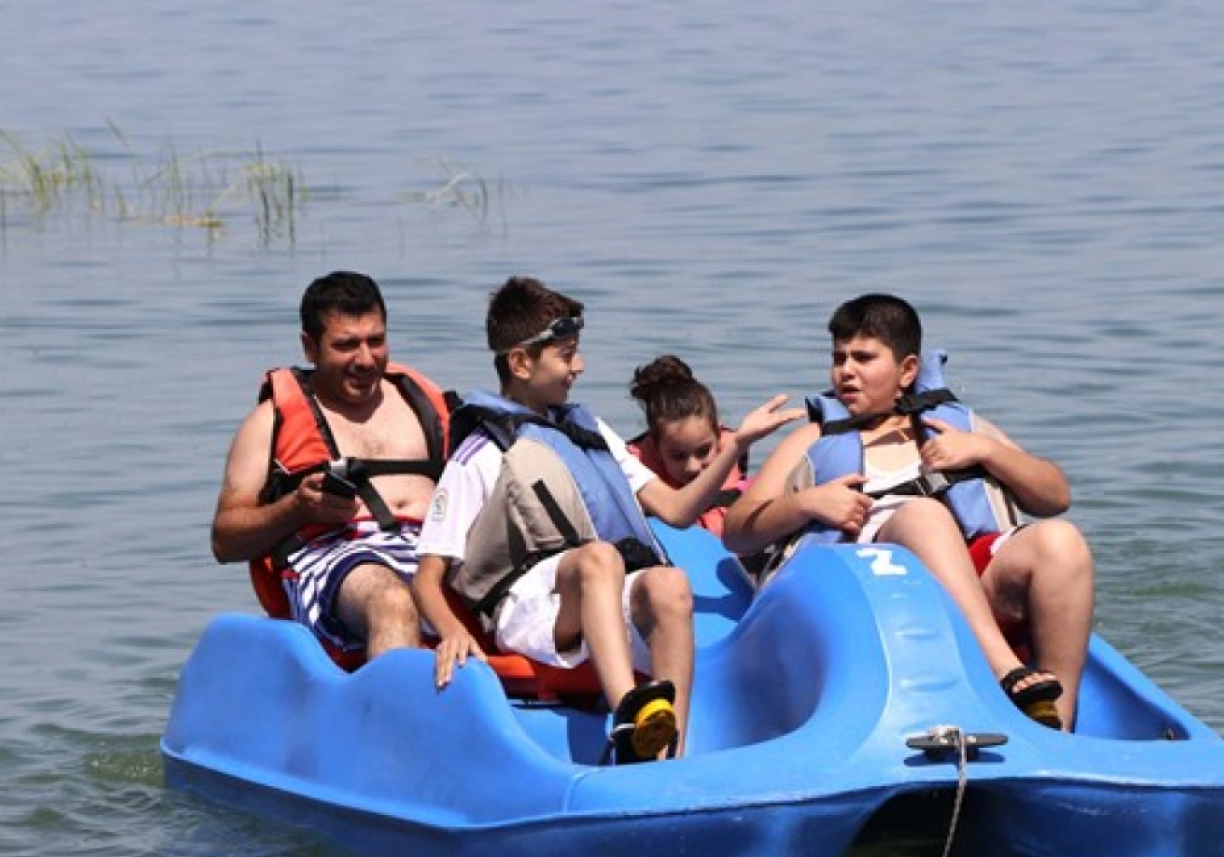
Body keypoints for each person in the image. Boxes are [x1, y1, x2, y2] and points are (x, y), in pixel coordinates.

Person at [413, 277, 798, 764]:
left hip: (599, 593)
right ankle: (628, 717)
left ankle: (668, 754)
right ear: (521, 362)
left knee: (669, 584)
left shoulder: (589, 431)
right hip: (530, 609)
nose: (579, 366)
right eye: (567, 355)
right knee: (599, 558)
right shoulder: (481, 453)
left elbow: (678, 510)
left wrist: (736, 445)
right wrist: (453, 632)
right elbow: (427, 578)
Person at [723, 293, 1095, 730]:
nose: (846, 371)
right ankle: (1003, 670)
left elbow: (1054, 497)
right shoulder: (813, 439)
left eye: (864, 358)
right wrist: (805, 503)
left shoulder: (955, 426)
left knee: (1062, 541)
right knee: (924, 515)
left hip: (966, 586)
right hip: (868, 600)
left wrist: (987, 451)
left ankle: (1057, 718)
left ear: (908, 370)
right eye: (839, 358)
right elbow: (736, 531)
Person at [210, 271, 448, 670]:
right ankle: (394, 709)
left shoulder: (423, 402)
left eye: (376, 341)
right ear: (310, 347)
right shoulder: (270, 422)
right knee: (392, 601)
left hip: (436, 552)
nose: (365, 360)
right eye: (346, 345)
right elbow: (224, 541)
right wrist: (296, 509)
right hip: (335, 563)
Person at [626, 354, 753, 536]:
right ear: (656, 449)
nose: (692, 467)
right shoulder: (633, 468)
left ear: (718, 437)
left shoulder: (731, 450)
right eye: (678, 456)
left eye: (703, 451)